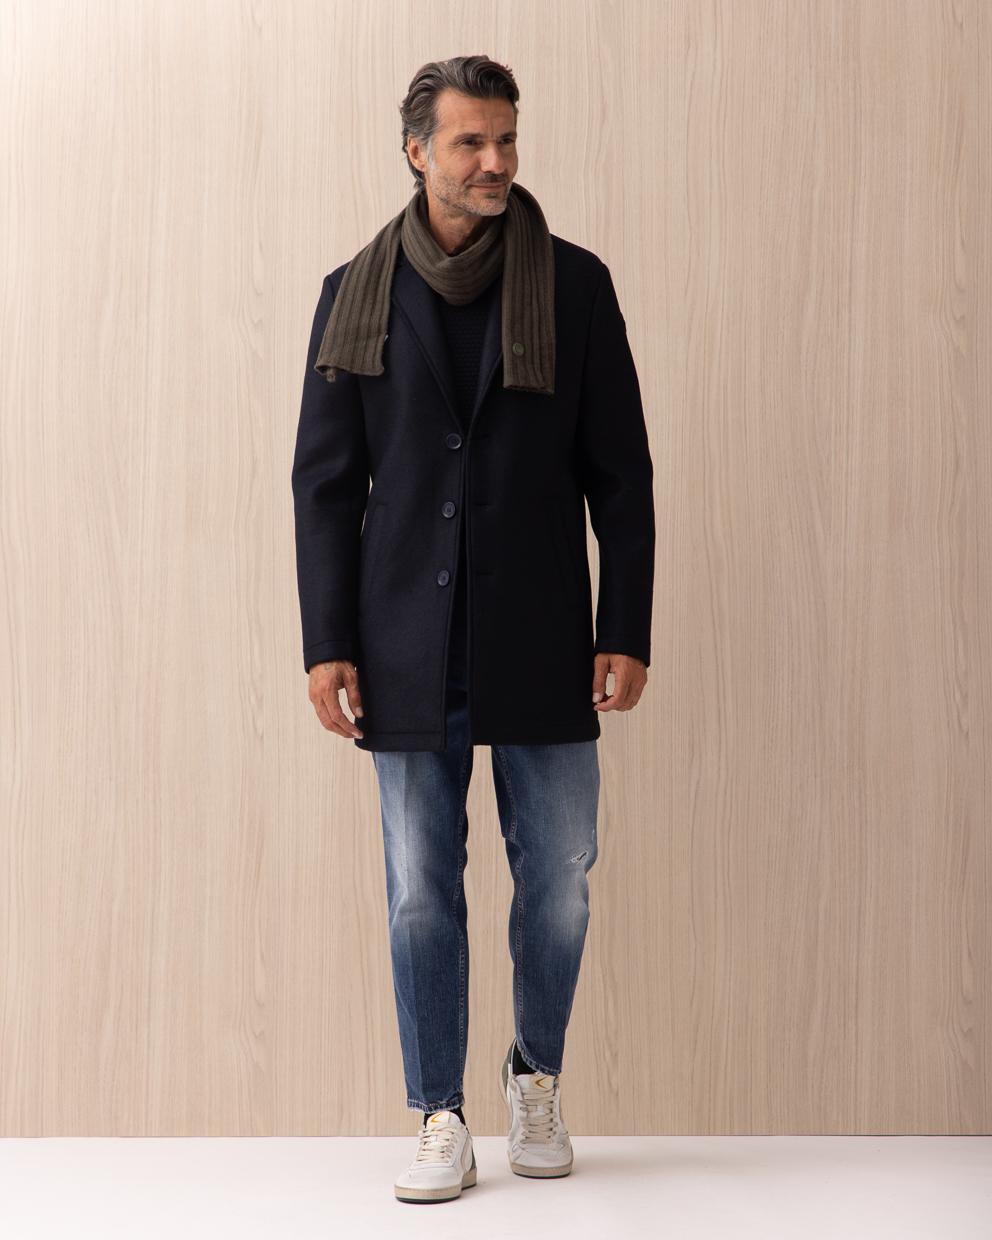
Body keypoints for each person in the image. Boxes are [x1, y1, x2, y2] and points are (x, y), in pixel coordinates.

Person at [291, 54, 655, 1204]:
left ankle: (533, 1076)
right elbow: (324, 488)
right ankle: (437, 1110)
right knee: (418, 886)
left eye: (505, 139)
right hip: (401, 637)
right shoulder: (352, 290)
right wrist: (325, 642)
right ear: (417, 153)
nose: (494, 161)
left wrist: (625, 621)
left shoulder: (574, 286)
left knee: (559, 877)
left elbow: (621, 473)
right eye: (469, 142)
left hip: (541, 627)